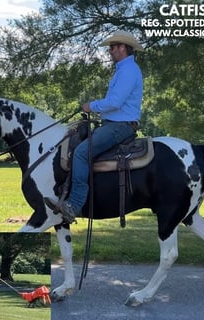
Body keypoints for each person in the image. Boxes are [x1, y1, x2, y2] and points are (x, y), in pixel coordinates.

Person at [45, 30, 144, 223]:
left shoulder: (128, 71)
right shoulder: (124, 69)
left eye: (113, 47)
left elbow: (115, 101)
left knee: (82, 153)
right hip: (114, 123)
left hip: (120, 126)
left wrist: (92, 106)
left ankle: (74, 205)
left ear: (123, 48)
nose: (110, 51)